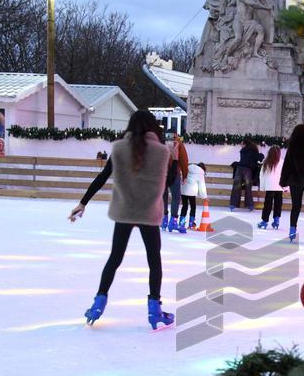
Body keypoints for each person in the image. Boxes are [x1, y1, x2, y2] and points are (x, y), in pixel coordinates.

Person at [68, 110, 174, 330]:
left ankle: (98, 302)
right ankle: (154, 308)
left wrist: (83, 202)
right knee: (154, 260)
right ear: (153, 127)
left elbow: (102, 176)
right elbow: (169, 181)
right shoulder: (163, 152)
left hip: (124, 211)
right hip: (148, 212)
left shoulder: (118, 149)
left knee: (115, 258)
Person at [161, 134, 188, 233]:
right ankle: (173, 221)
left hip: (162, 173)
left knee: (163, 196)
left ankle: (164, 219)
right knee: (175, 197)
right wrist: (185, 175)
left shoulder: (160, 141)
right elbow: (184, 160)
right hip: (174, 173)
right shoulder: (178, 143)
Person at [230, 138, 262, 211]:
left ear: (245, 144)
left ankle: (233, 204)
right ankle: (250, 205)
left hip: (239, 168)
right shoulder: (253, 150)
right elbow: (258, 158)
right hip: (247, 170)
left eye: (241, 144)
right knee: (248, 187)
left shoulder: (243, 151)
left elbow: (245, 160)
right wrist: (261, 156)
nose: (241, 145)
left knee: (236, 186)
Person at [257, 145, 284, 230]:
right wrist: (286, 187)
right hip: (279, 187)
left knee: (267, 204)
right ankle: (276, 221)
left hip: (269, 187)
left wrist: (262, 187)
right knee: (278, 204)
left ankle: (264, 222)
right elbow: (286, 175)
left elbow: (262, 176)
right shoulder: (282, 162)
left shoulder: (266, 162)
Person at [182, 161, 208, 229]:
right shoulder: (201, 173)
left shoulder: (189, 168)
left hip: (184, 189)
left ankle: (181, 223)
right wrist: (204, 197)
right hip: (192, 192)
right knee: (193, 207)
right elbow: (202, 185)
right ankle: (191, 224)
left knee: (184, 206)